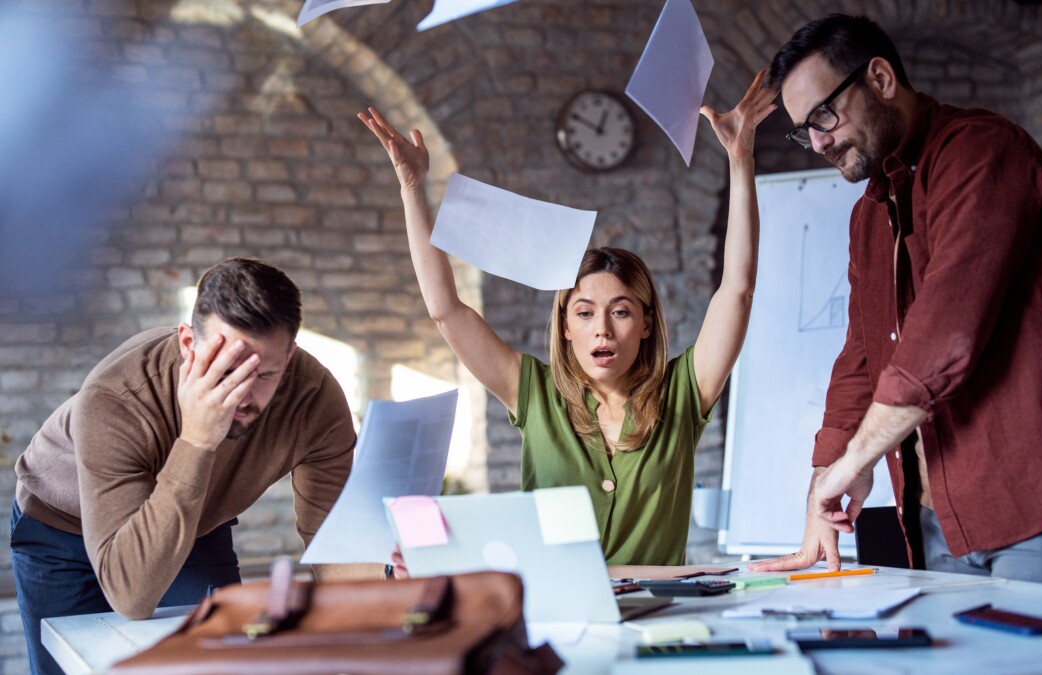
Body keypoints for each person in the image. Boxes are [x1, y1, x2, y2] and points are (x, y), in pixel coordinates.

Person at [361, 72, 776, 568]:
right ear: (564, 326)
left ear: (646, 324)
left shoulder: (683, 394)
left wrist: (740, 158)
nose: (602, 328)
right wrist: (412, 189)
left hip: (660, 615)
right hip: (556, 612)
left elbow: (738, 289)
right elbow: (445, 309)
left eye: (621, 311)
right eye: (584, 313)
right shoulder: (534, 393)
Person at [749, 14, 1042, 585]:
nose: (820, 141)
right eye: (806, 129)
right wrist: (824, 482)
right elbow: (860, 358)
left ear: (879, 78)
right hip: (934, 525)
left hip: (1040, 513)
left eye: (824, 114)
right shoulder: (867, 216)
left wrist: (856, 459)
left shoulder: (982, 152)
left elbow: (945, 335)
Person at [10, 258, 364, 675]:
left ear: (289, 358)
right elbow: (131, 595)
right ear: (187, 343)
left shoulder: (315, 399)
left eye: (262, 374)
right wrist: (197, 438)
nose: (240, 395)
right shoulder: (116, 397)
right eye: (226, 369)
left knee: (225, 661)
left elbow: (333, 542)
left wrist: (387, 594)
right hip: (61, 527)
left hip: (190, 520)